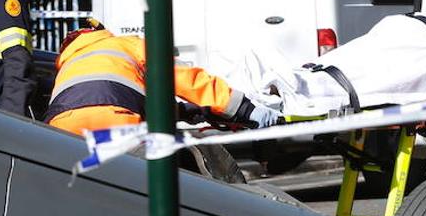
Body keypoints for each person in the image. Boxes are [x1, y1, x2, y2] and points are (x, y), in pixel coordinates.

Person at [229, 10, 426, 117]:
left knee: (353, 70)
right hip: (417, 41)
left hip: (419, 40)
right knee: (353, 69)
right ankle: (294, 85)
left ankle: (294, 85)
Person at [45, 20, 281, 134]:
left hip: (61, 131)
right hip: (118, 123)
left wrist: (189, 112)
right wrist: (245, 110)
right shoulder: (126, 45)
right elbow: (184, 79)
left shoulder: (67, 66)